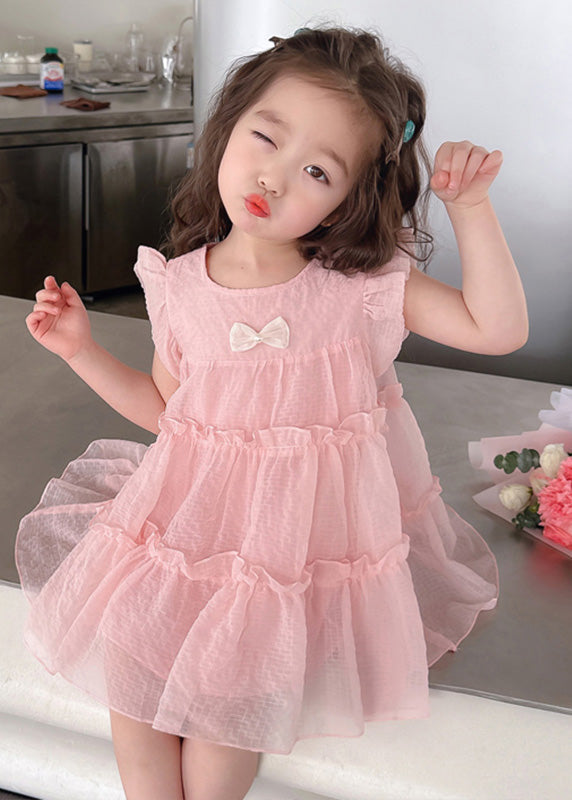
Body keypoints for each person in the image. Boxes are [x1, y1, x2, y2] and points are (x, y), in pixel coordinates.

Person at [15, 26, 528, 800]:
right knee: (134, 684)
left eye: (317, 171)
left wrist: (473, 208)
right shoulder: (180, 286)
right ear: (229, 125)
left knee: (225, 714)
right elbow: (169, 413)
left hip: (293, 552)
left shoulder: (362, 289)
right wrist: (80, 350)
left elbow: (497, 329)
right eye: (266, 137)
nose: (275, 178)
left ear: (350, 197)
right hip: (191, 526)